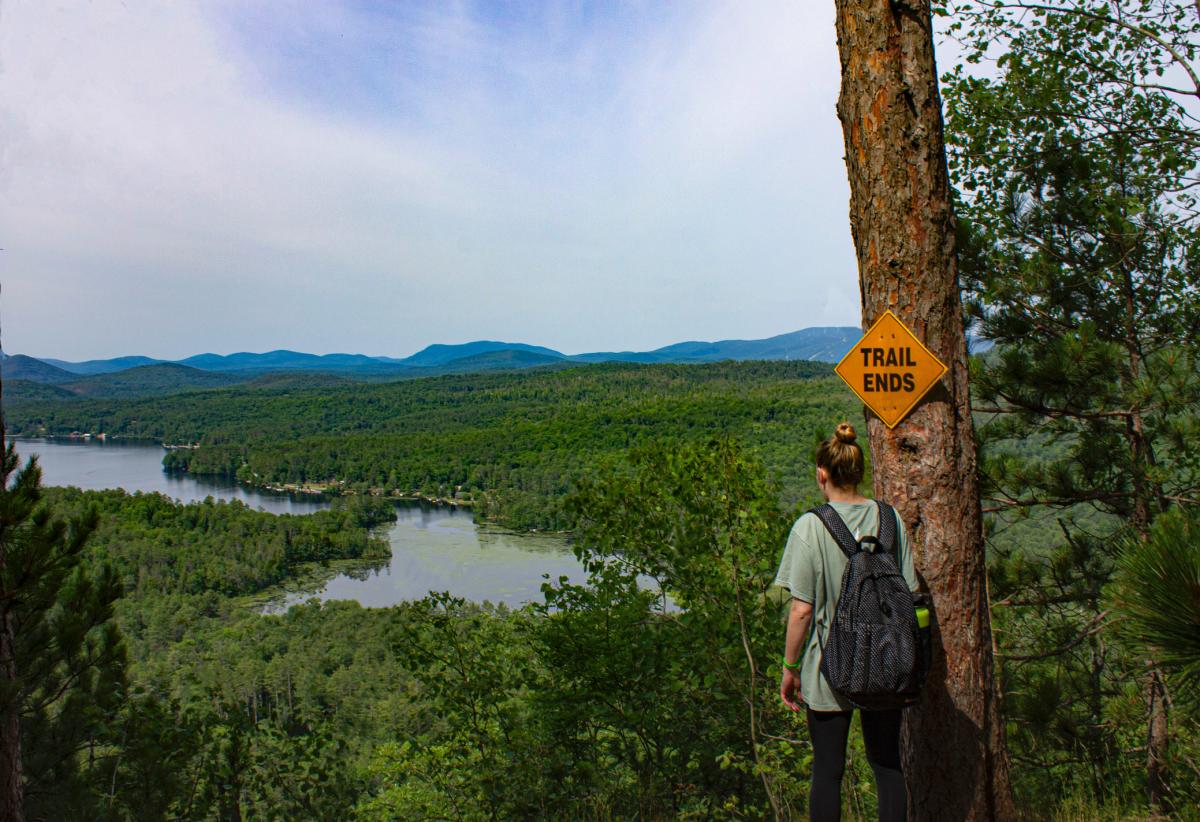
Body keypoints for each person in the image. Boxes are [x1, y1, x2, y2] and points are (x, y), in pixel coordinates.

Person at [774, 422, 917, 822]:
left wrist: (789, 667)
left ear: (822, 474)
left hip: (827, 669)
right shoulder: (890, 520)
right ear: (859, 471)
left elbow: (801, 610)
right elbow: (909, 591)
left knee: (828, 771)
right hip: (887, 663)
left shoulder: (811, 527)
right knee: (888, 766)